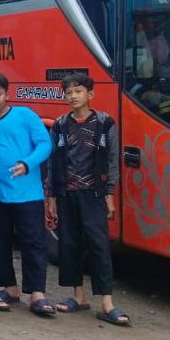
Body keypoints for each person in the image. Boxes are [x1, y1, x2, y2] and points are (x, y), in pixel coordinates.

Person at [44, 74, 129, 326]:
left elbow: (112, 161)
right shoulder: (60, 124)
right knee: (70, 244)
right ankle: (78, 297)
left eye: (78, 91)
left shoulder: (105, 123)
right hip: (66, 193)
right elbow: (53, 162)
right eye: (69, 92)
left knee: (99, 244)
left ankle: (107, 303)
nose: (73, 96)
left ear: (90, 94)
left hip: (94, 193)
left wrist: (109, 195)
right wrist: (51, 196)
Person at [0, 73, 54, 316]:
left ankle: (37, 293)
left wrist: (27, 163)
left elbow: (45, 144)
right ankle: (9, 289)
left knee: (33, 242)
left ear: (7, 94)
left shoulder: (25, 115)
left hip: (28, 194)